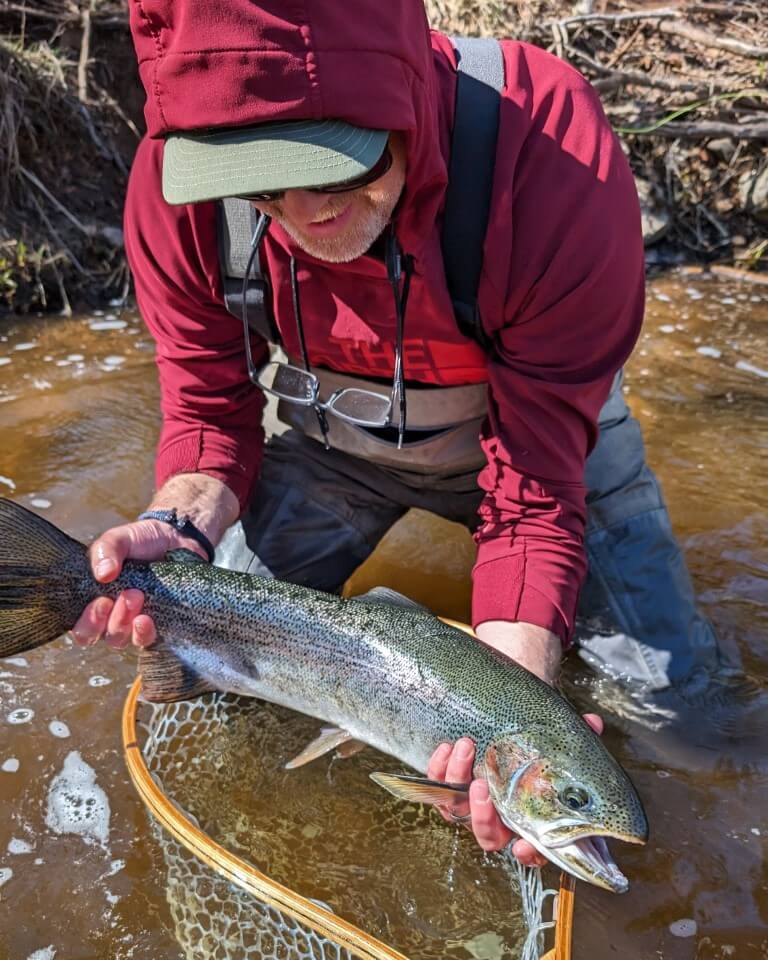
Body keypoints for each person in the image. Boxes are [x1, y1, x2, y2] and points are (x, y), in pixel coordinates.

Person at [73, 0, 760, 859]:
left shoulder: (550, 159)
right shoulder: (180, 178)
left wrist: (509, 718)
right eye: (260, 182)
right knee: (206, 674)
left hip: (547, 455)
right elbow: (212, 411)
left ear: (402, 94)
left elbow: (536, 493)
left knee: (683, 728)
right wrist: (177, 527)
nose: (299, 211)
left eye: (331, 167)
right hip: (335, 448)